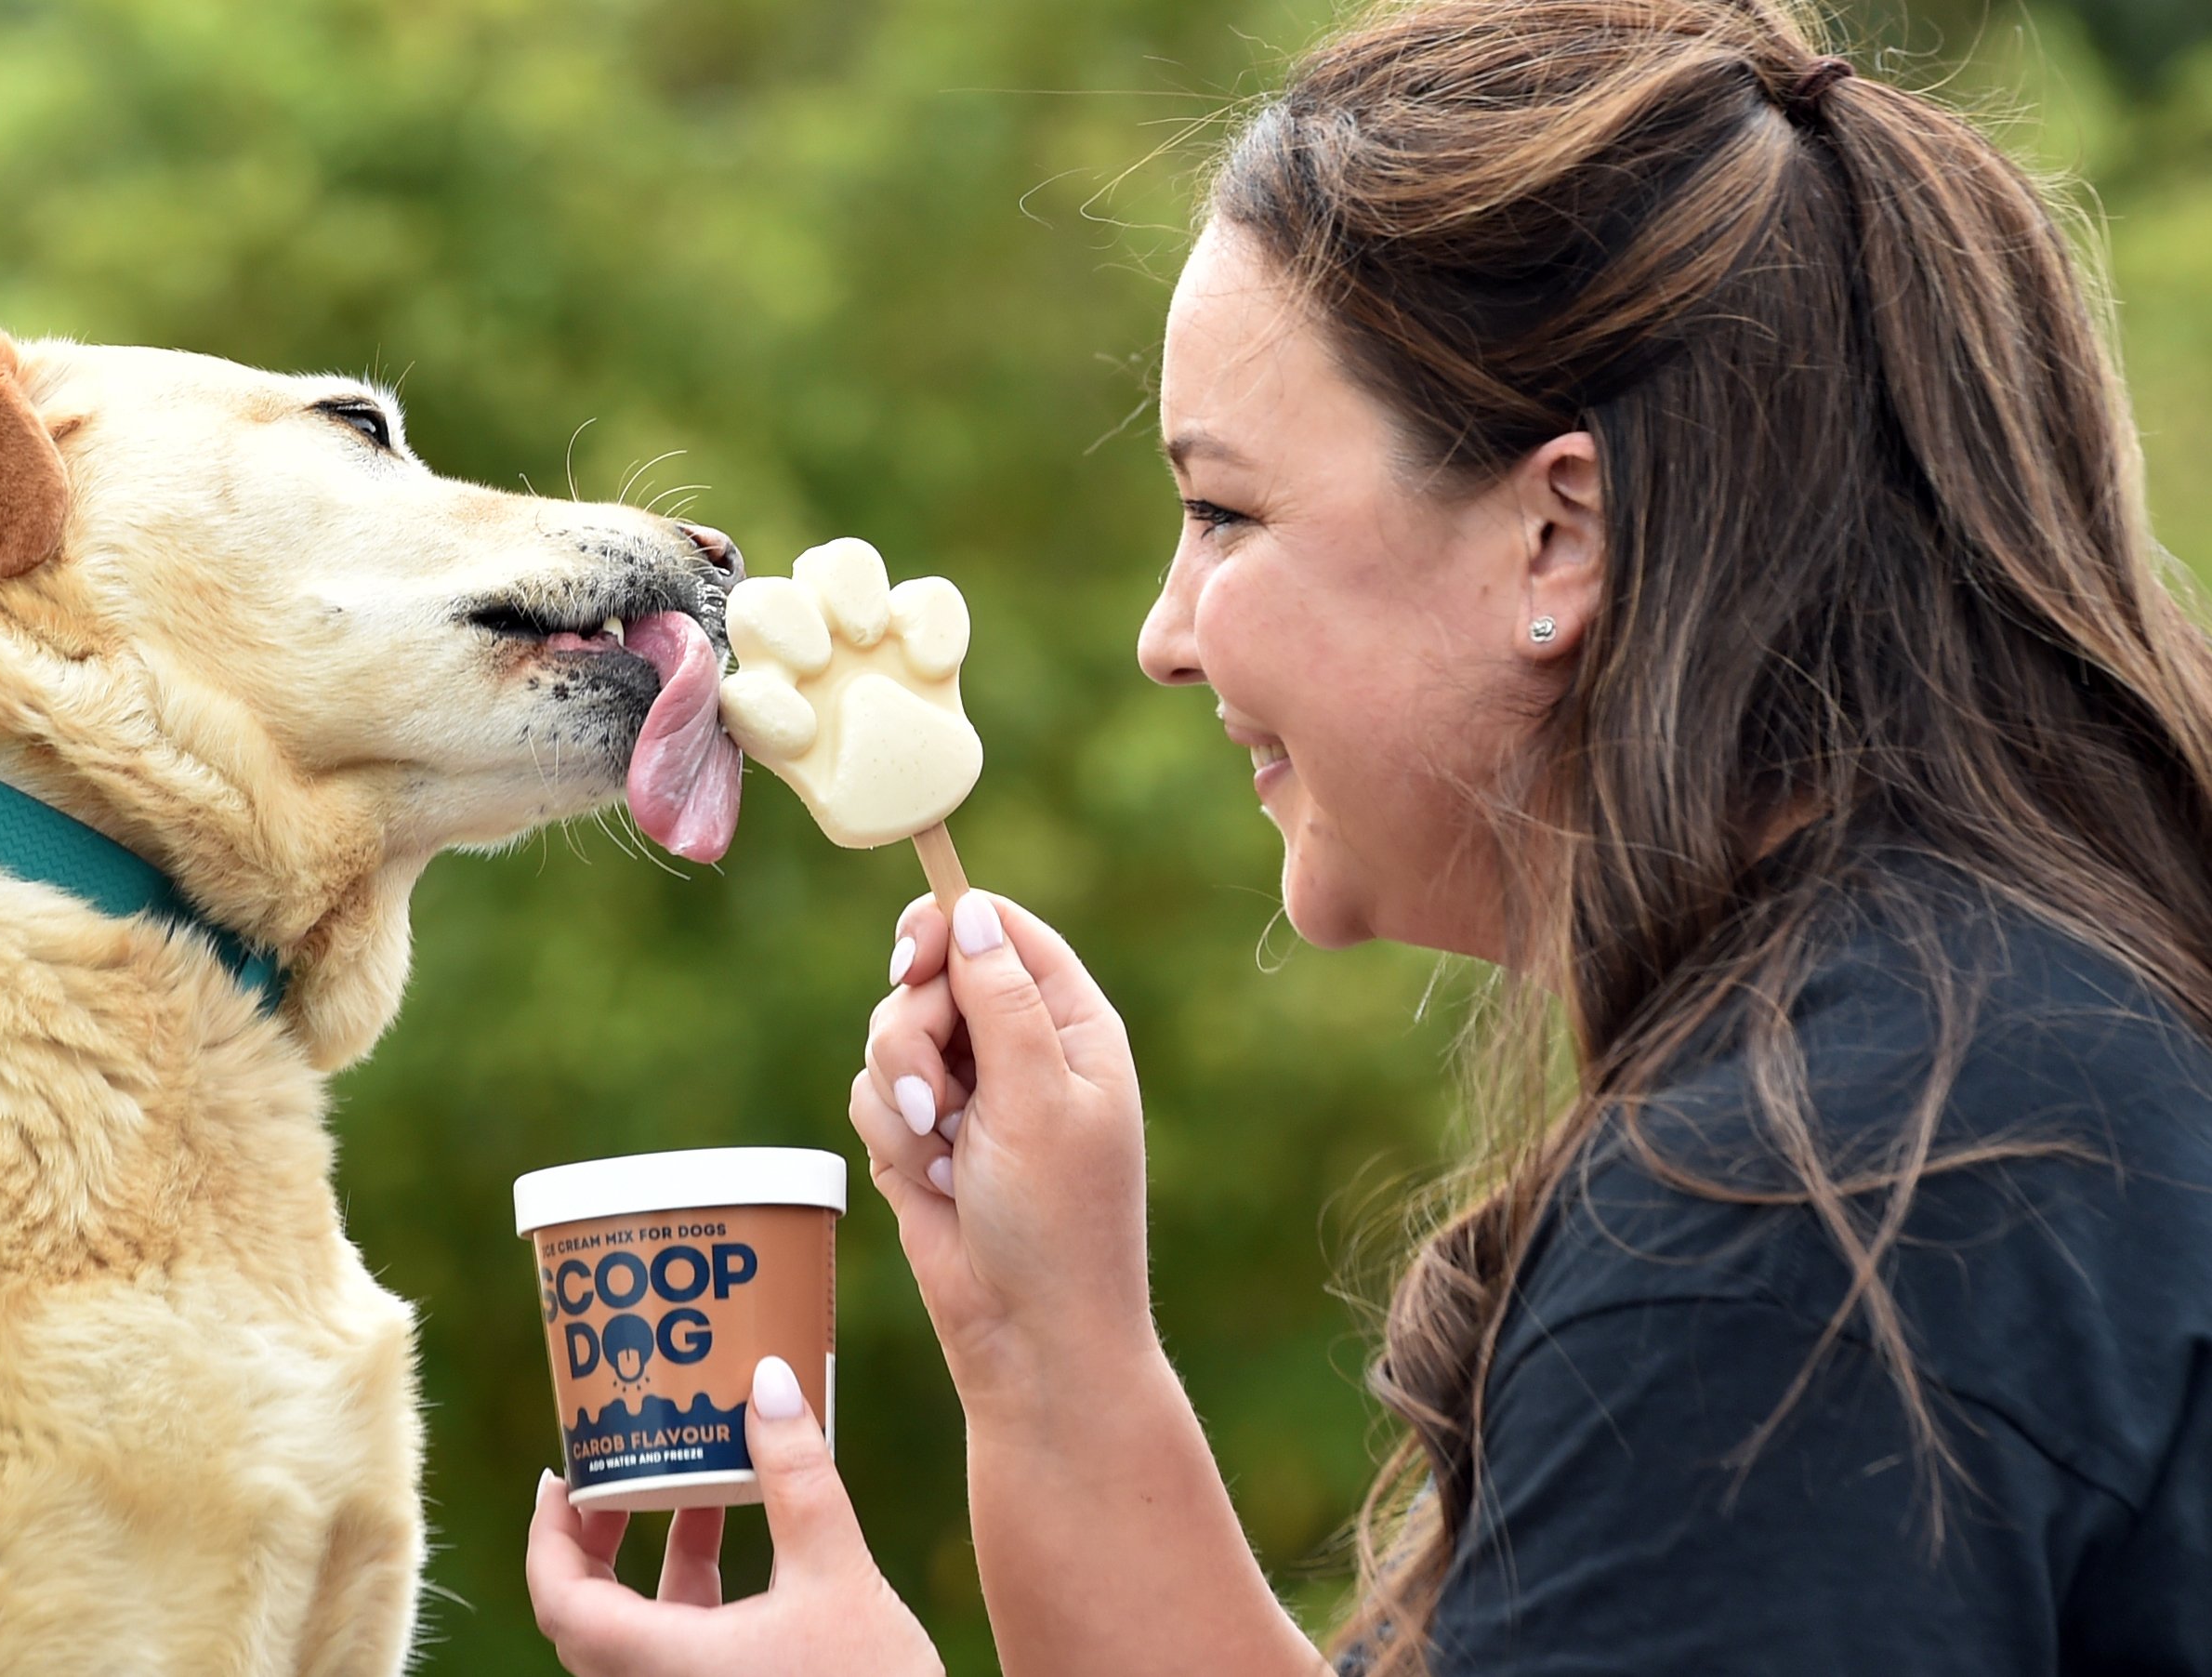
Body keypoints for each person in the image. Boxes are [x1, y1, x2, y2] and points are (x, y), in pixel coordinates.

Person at [526, 0, 2212, 1670]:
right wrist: (1052, 1347)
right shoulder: (2015, 1040)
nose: (1164, 635)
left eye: (1223, 512)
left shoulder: (1801, 1230)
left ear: (1558, 538)